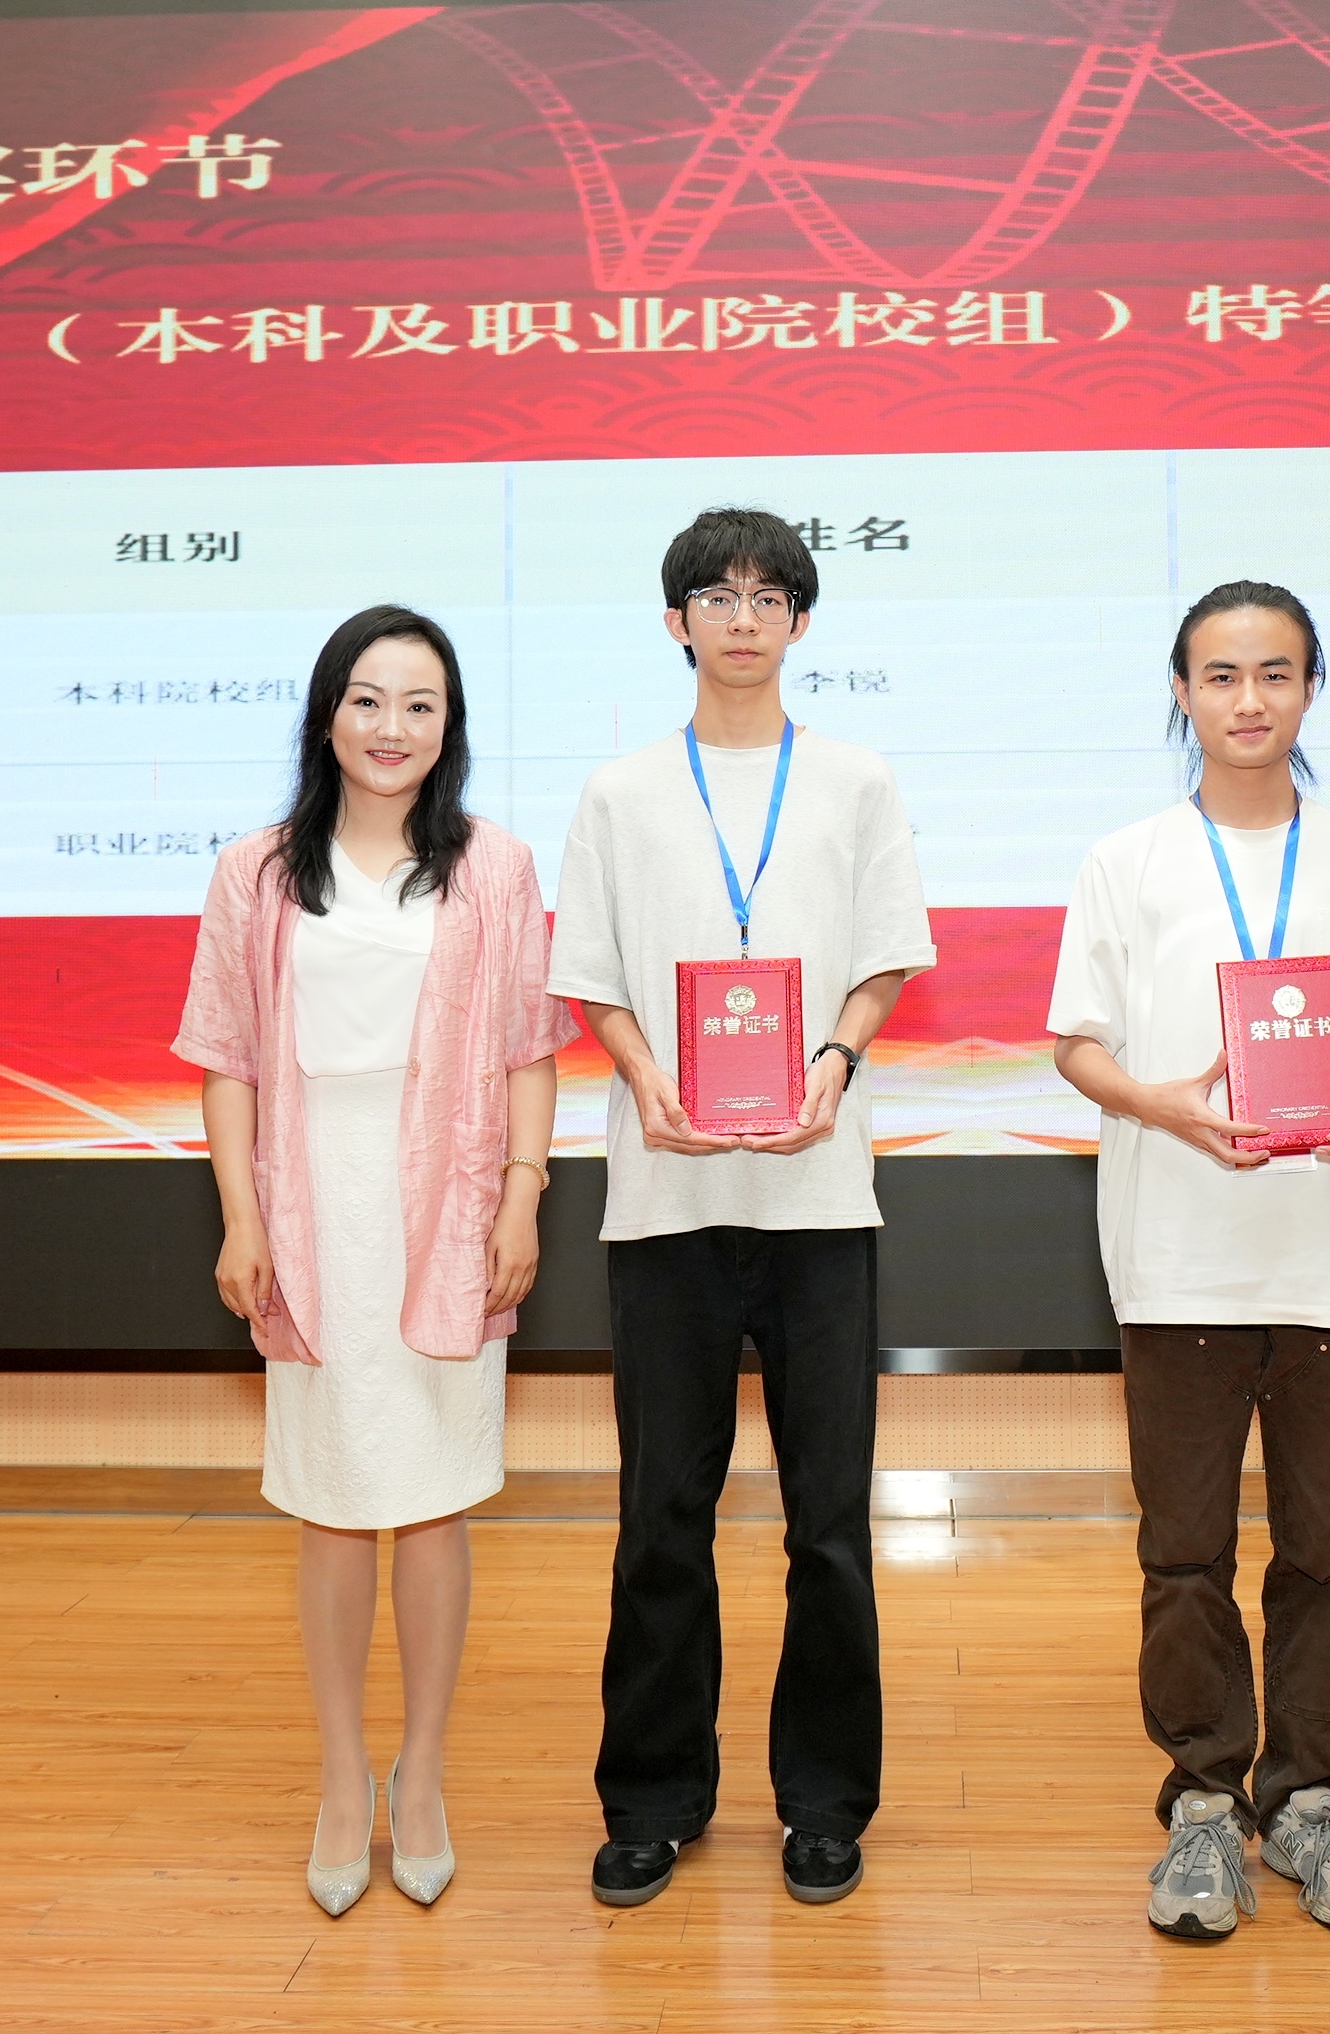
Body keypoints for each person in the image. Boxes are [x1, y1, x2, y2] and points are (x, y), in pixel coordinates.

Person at [1045, 580, 1330, 1942]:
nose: (1249, 700)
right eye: (1220, 676)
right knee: (1184, 1555)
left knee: (1324, 1553)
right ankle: (1205, 1804)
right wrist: (1162, 1105)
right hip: (1178, 1259)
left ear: (1312, 690)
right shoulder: (1127, 861)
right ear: (1182, 693)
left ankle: (1311, 1797)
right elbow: (1077, 1042)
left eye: (1276, 673)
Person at [550, 506, 935, 1911]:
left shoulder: (855, 781)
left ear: (801, 622)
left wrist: (834, 1059)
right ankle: (653, 1798)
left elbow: (886, 958)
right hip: (667, 1200)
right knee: (664, 1512)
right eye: (716, 595)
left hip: (820, 1199)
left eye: (770, 596)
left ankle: (825, 1802)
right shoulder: (619, 793)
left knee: (828, 1521)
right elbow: (592, 976)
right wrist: (643, 1075)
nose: (743, 617)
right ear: (677, 622)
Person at [173, 604, 574, 1918]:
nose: (392, 727)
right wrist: (240, 1218)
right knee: (333, 1496)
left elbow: (528, 1050)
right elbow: (227, 1058)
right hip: (310, 1201)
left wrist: (522, 1199)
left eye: (421, 705)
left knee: (437, 1495)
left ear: (450, 727)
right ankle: (344, 1779)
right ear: (327, 714)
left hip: (447, 1200)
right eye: (368, 699)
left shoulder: (494, 868)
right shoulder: (254, 872)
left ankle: (428, 1775)